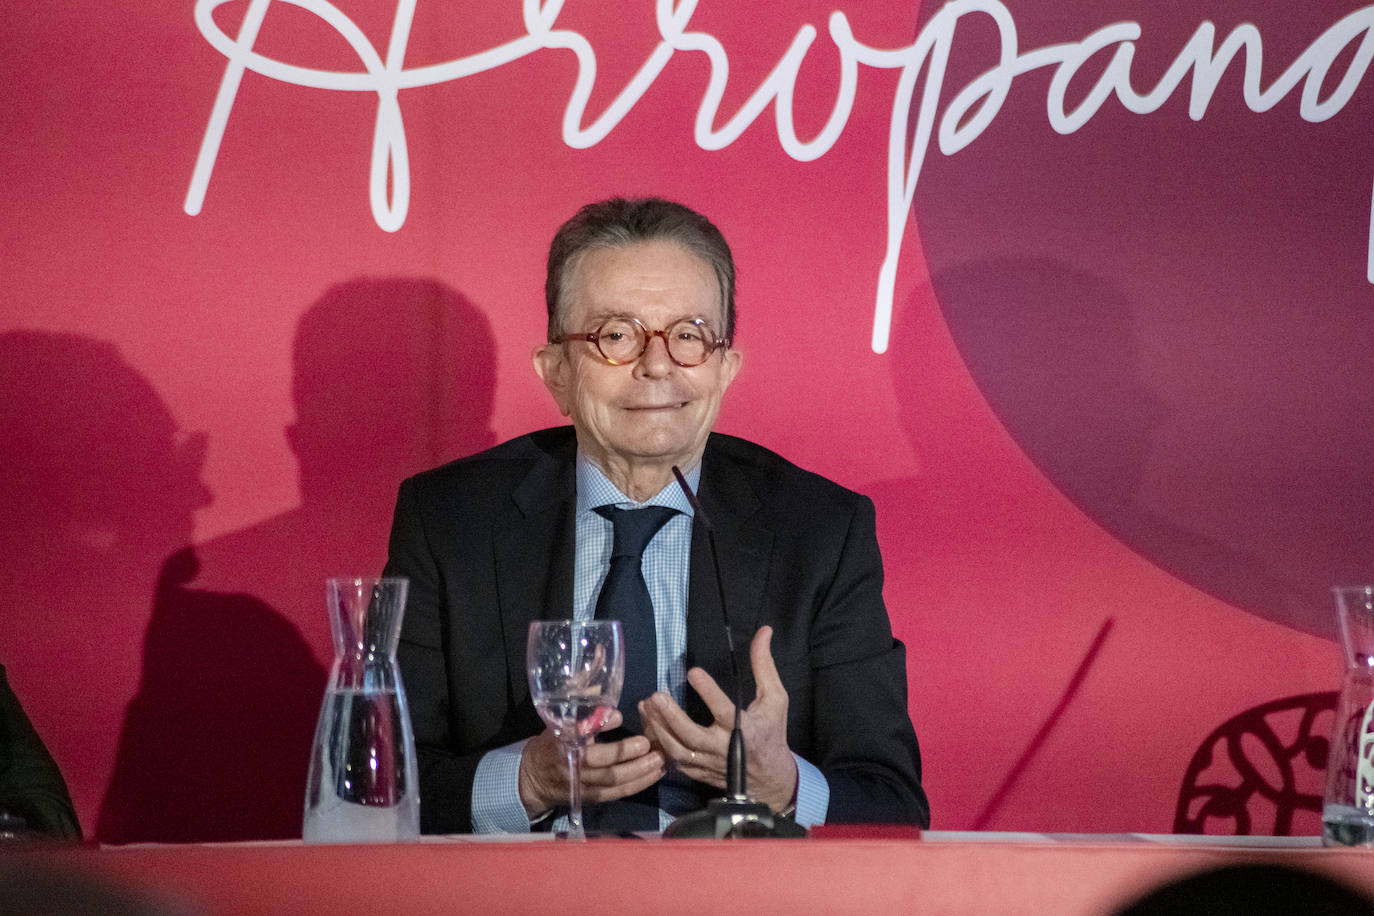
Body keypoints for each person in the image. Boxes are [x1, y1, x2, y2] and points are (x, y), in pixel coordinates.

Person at [384, 197, 928, 833]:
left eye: (689, 336)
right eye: (616, 335)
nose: (657, 365)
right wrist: (527, 780)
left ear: (726, 369)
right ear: (556, 372)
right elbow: (379, 785)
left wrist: (781, 785)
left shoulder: (820, 532)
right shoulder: (451, 523)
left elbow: (892, 804)